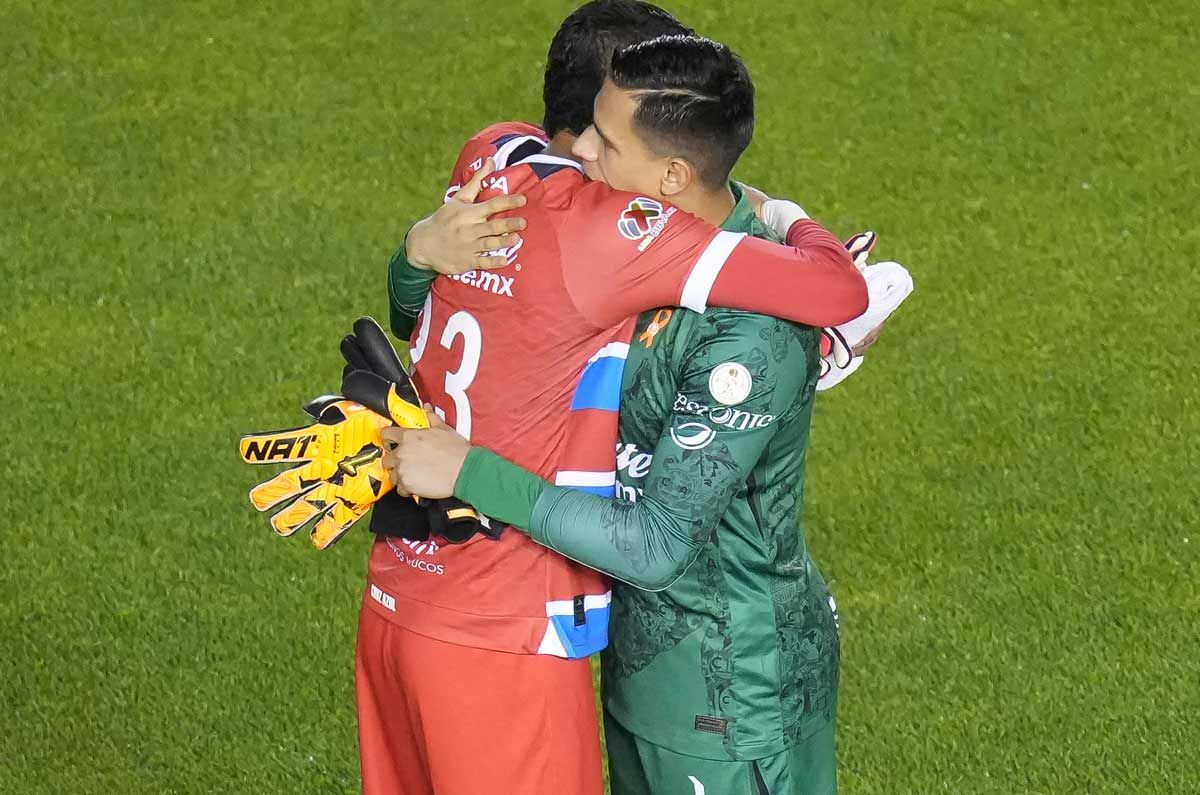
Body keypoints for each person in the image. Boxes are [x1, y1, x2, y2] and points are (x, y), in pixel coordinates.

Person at [382, 33, 881, 795]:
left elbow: (654, 545)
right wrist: (419, 251)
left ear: (672, 173)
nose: (579, 149)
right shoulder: (622, 244)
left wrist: (469, 470)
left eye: (606, 140)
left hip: (732, 695)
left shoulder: (751, 328)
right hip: (641, 665)